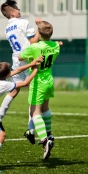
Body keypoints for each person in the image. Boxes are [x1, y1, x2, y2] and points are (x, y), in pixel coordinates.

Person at [0, 0, 41, 137]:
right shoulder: (23, 22)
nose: (19, 9)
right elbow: (33, 41)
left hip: (16, 59)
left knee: (14, 91)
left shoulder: (7, 28)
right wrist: (38, 26)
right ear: (13, 13)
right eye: (17, 8)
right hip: (28, 58)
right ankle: (31, 129)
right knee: (34, 92)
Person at [19, 21, 62, 160]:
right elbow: (54, 44)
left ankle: (44, 140)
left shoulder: (34, 47)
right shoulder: (56, 46)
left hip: (37, 81)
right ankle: (49, 134)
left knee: (34, 112)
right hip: (49, 79)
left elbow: (20, 57)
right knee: (45, 108)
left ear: (39, 33)